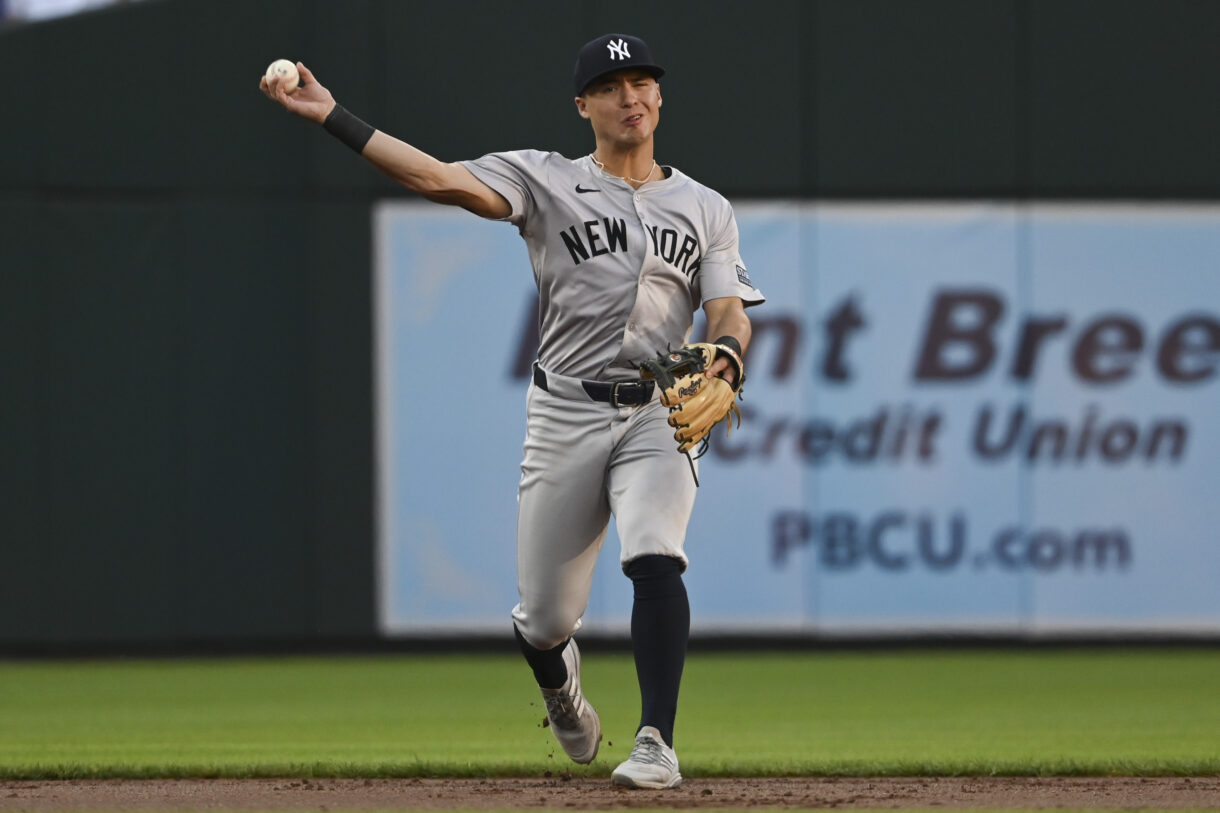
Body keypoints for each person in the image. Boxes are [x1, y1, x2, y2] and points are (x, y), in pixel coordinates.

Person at [261, 32, 764, 789]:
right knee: (545, 620)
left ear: (660, 96)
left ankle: (656, 739)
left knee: (656, 552)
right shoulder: (544, 179)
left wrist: (726, 357)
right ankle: (561, 685)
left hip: (659, 409)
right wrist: (335, 114)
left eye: (643, 82)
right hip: (565, 413)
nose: (631, 96)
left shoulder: (705, 207)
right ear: (583, 105)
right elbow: (438, 179)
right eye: (613, 84)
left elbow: (729, 310)